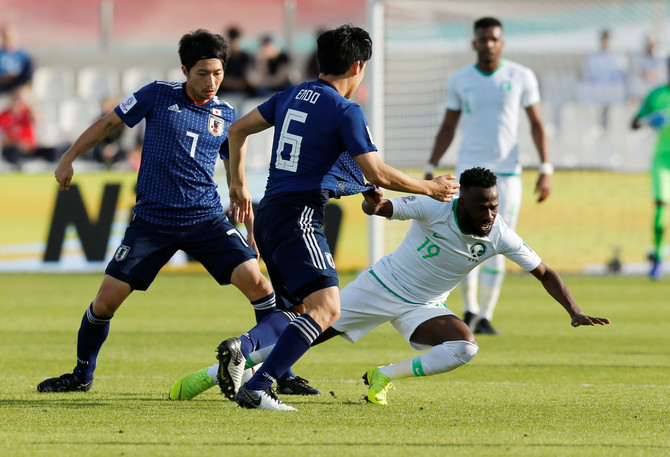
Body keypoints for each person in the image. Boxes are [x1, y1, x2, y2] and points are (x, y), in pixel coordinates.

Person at [170, 167, 610, 406]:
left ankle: (383, 376)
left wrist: (573, 310)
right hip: (380, 288)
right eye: (481, 206)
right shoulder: (434, 207)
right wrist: (373, 199)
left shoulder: (499, 234)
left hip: (425, 306)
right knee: (304, 337)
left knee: (465, 348)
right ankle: (208, 376)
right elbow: (382, 210)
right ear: (462, 200)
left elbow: (545, 272)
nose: (489, 215)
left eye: (493, 206)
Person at [223, 24, 458, 410]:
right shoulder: (345, 110)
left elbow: (236, 130)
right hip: (299, 215)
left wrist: (237, 183)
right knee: (328, 308)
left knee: (297, 310)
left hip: (270, 213)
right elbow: (377, 171)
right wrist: (429, 187)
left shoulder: (292, 94)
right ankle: (258, 386)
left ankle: (246, 350)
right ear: (357, 66)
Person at [36, 29, 282, 393]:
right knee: (104, 302)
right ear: (184, 70)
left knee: (261, 287)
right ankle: (80, 376)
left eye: (217, 73)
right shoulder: (157, 94)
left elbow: (238, 185)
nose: (211, 81)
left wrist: (249, 231)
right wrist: (69, 157)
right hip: (152, 222)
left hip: (205, 218)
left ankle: (276, 373)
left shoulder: (227, 115)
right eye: (202, 73)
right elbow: (109, 124)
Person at [424, 17, 552, 335]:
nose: (488, 44)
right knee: (463, 239)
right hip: (468, 175)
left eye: (494, 39)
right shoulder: (460, 79)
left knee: (499, 241)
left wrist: (545, 168)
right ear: (475, 43)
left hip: (507, 175)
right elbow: (449, 126)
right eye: (483, 39)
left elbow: (536, 124)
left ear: (502, 43)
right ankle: (470, 309)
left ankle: (486, 314)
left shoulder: (520, 76)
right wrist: (431, 165)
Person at [631, 57, 670, 280]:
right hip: (663, 161)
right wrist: (650, 120)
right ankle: (658, 257)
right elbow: (634, 123)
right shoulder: (657, 95)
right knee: (660, 214)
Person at [578, 29, 628, 129]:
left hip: (613, 90)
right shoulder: (592, 58)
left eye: (607, 40)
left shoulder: (618, 57)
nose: (606, 43)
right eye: (604, 40)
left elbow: (622, 76)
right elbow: (587, 75)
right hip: (596, 90)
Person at [217, 26, 255, 98]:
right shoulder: (223, 57)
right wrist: (229, 82)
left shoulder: (246, 57)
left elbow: (249, 76)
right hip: (225, 91)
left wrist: (240, 82)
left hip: (243, 92)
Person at [630, 34, 666, 103]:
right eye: (649, 44)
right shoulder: (638, 57)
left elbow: (662, 73)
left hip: (656, 94)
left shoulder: (661, 57)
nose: (651, 46)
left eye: (652, 44)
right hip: (642, 94)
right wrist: (645, 74)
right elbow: (636, 73)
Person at [0, 22, 33, 96]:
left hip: (18, 89)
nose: (8, 39)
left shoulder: (24, 56)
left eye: (10, 36)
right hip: (2, 88)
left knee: (23, 94)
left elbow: (29, 77)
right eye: (6, 37)